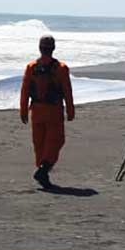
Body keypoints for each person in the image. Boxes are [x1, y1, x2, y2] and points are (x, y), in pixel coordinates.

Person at [19, 35, 75, 189]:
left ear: (40, 48)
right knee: (56, 141)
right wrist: (70, 110)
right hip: (53, 111)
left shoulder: (31, 67)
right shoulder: (61, 68)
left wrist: (23, 110)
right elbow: (67, 91)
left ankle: (42, 171)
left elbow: (24, 91)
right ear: (53, 48)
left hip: (36, 111)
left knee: (40, 143)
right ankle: (43, 170)